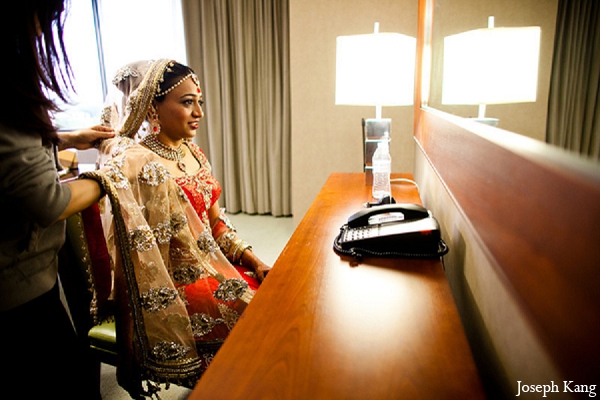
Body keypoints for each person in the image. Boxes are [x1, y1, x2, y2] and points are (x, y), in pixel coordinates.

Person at [85, 59, 271, 396]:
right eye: (187, 102)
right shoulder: (140, 165)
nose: (198, 111)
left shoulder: (194, 152)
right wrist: (129, 350)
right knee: (256, 327)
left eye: (199, 100)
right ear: (152, 109)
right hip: (173, 288)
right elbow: (132, 260)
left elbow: (216, 224)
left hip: (212, 266)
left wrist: (253, 260)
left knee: (278, 300)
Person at [0, 0, 115, 398]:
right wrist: (108, 176)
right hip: (14, 293)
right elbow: (48, 203)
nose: (40, 33)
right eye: (45, 18)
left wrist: (63, 137)